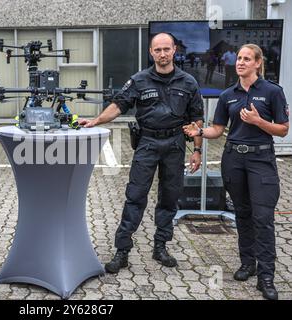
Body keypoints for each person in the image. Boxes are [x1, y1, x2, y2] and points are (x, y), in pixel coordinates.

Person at [78, 33, 204, 274]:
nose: (163, 54)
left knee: (169, 197)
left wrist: (197, 149)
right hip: (147, 143)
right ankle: (122, 251)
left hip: (176, 145)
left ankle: (160, 246)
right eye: (158, 50)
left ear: (174, 50)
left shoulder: (189, 82)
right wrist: (96, 120)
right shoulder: (139, 80)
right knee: (135, 196)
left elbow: (197, 119)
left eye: (167, 49)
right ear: (151, 52)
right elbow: (118, 106)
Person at [184, 44, 289, 300]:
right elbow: (218, 129)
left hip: (261, 160)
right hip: (233, 159)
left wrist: (258, 122)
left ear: (257, 63)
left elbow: (283, 129)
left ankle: (266, 277)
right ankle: (247, 263)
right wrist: (198, 132)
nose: (240, 62)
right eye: (239, 58)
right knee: (242, 213)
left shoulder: (272, 92)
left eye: (246, 59)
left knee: (262, 218)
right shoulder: (227, 95)